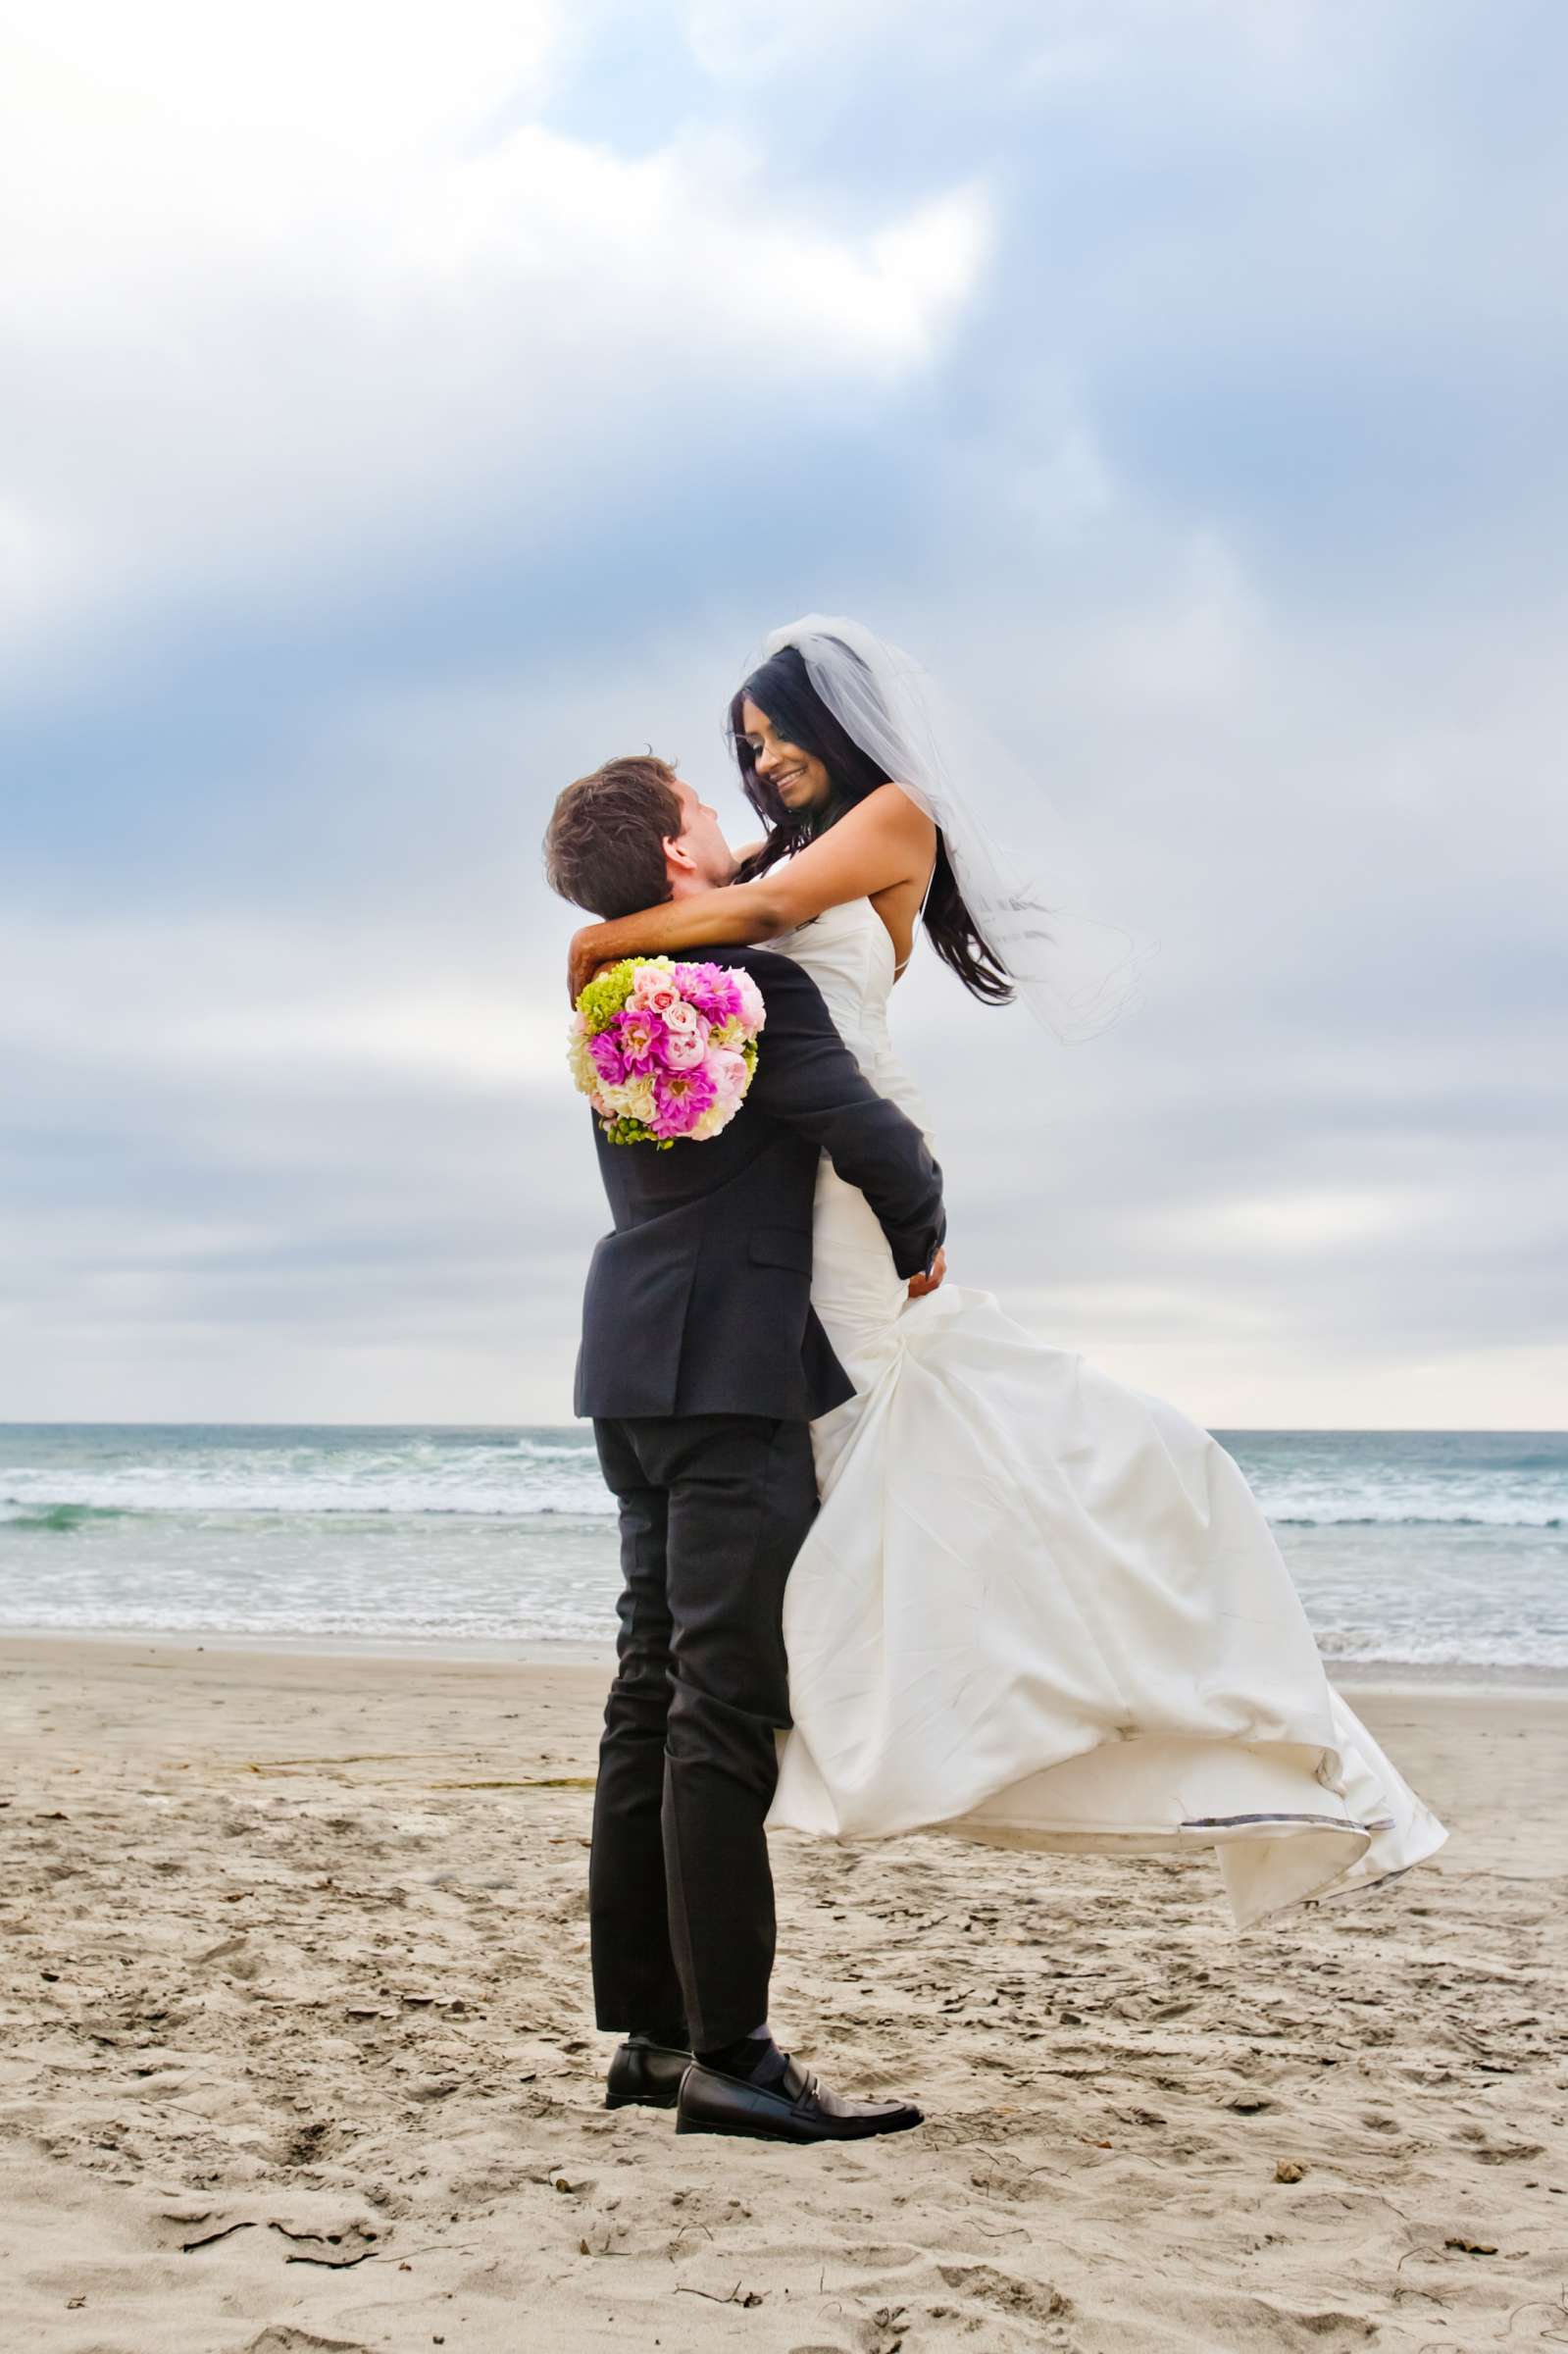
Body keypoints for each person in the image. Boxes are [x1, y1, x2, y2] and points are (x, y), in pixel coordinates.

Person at [561, 617, 1447, 1930]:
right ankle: (897, 1689)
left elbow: (748, 914)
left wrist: (591, 947)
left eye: (780, 732)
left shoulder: (889, 820)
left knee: (933, 1437)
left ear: (840, 721)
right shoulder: (757, 877)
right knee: (879, 1462)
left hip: (843, 1172)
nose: (764, 761)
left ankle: (1076, 1674)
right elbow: (714, 898)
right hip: (785, 1216)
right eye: (743, 750)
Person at [542, 752, 945, 2143]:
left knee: (648, 1688)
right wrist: (926, 1232)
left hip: (631, 1364)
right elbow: (861, 1130)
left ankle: (653, 2039)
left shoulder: (610, 998)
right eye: (705, 814)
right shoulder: (753, 990)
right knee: (721, 1706)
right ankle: (735, 2054)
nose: (731, 824)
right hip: (730, 1375)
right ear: (672, 858)